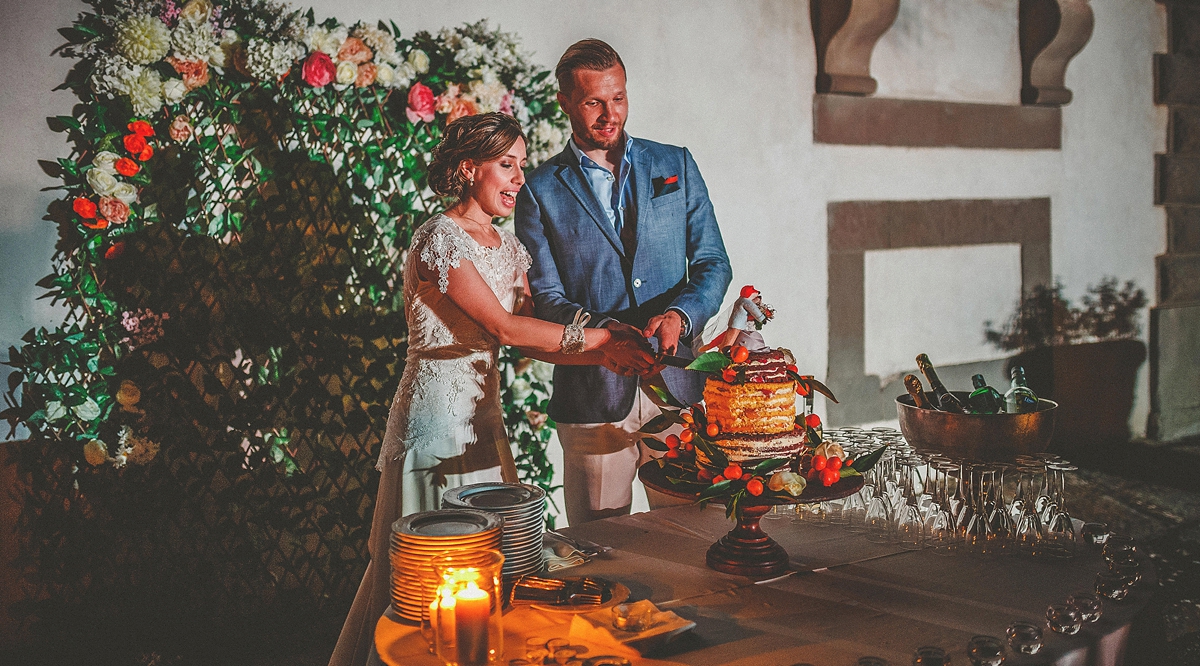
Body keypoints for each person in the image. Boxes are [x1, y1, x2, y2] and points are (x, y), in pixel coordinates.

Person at [328, 112, 657, 666]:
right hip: (435, 418)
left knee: (492, 562)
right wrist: (604, 338)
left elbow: (528, 343)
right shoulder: (439, 239)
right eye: (507, 166)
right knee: (426, 572)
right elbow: (503, 328)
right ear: (467, 168)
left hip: (484, 419)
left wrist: (611, 351)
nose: (519, 179)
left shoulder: (508, 248)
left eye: (522, 166)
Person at [515, 39, 732, 525]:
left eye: (618, 98)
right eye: (593, 102)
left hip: (680, 391)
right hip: (592, 397)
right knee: (601, 553)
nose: (608, 114)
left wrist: (681, 314)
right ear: (566, 102)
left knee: (691, 541)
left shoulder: (674, 164)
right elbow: (545, 296)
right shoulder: (538, 192)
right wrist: (609, 334)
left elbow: (714, 263)